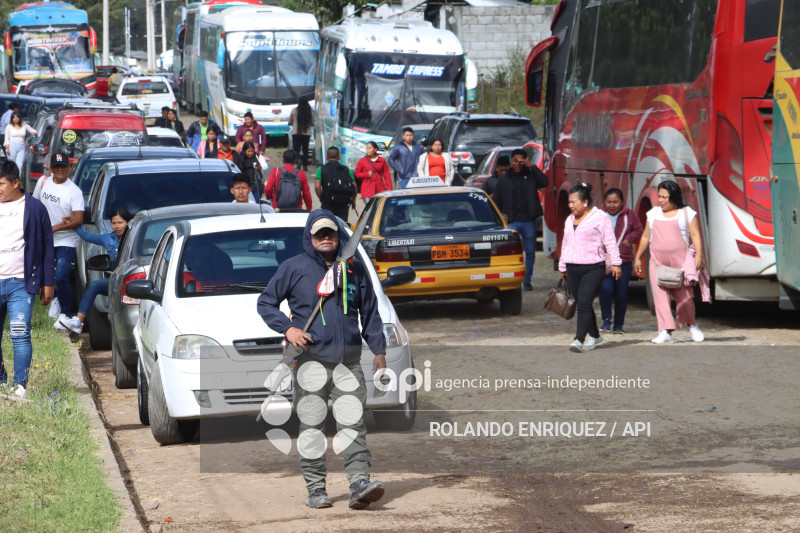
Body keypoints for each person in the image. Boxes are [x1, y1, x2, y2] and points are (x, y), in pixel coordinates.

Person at [256, 210, 386, 510]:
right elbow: (265, 303)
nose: (326, 238)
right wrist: (288, 329)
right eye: (319, 234)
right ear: (309, 237)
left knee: (353, 426)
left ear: (338, 236)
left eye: (330, 233)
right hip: (310, 362)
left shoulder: (353, 269)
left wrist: (379, 351)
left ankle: (358, 485)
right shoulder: (293, 267)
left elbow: (370, 313)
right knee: (312, 428)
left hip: (349, 363)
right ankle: (316, 489)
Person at [0, 161, 55, 399]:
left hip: (20, 283)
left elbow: (47, 246)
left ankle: (19, 386)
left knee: (19, 332)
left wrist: (48, 282)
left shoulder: (34, 208)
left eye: (1, 184)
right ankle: (2, 382)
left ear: (15, 183)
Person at [634, 181, 705, 344]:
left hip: (681, 264)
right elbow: (645, 236)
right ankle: (664, 331)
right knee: (660, 298)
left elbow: (695, 236)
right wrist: (638, 256)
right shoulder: (653, 214)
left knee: (685, 298)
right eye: (659, 196)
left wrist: (699, 255)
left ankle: (692, 325)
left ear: (674, 197)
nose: (660, 200)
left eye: (664, 197)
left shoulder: (687, 213)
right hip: (657, 263)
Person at [559, 183, 622, 353]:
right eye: (569, 202)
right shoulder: (569, 219)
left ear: (585, 202)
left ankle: (578, 339)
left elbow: (610, 241)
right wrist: (562, 265)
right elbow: (566, 243)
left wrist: (616, 263)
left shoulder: (600, 217)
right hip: (572, 267)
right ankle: (596, 336)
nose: (571, 206)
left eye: (574, 202)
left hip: (593, 267)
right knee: (582, 303)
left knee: (585, 302)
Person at [58, 210, 134, 334]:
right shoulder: (108, 238)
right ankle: (78, 322)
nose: (116, 226)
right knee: (95, 285)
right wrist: (73, 222)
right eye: (114, 223)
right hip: (116, 281)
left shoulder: (135, 237)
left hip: (133, 279)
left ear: (128, 223)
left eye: (120, 223)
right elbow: (86, 236)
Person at [32, 153, 84, 326]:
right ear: (51, 168)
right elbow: (34, 205)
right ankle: (53, 298)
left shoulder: (74, 191)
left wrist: (53, 228)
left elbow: (78, 219)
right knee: (42, 272)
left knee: (61, 275)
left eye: (63, 166)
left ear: (69, 168)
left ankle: (65, 314)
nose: (60, 169)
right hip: (44, 238)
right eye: (56, 166)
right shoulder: (43, 182)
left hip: (65, 239)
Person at [492, 149, 548, 291]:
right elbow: (497, 201)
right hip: (511, 221)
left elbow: (544, 182)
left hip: (528, 220)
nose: (518, 164)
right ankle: (512, 279)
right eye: (515, 161)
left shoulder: (531, 175)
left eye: (521, 161)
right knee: (511, 252)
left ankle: (527, 280)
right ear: (511, 162)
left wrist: (532, 166)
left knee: (530, 251)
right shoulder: (503, 180)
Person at [598, 188, 643, 334]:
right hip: (603, 260)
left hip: (624, 261)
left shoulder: (630, 214)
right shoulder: (598, 215)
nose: (612, 205)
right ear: (604, 202)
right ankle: (606, 320)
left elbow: (639, 230)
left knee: (621, 294)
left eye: (615, 202)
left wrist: (629, 240)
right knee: (606, 290)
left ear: (621, 202)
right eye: (609, 202)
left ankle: (618, 324)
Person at [316, 147, 356, 221]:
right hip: (344, 204)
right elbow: (354, 186)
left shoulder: (321, 169)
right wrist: (353, 200)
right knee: (342, 226)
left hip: (327, 204)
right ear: (339, 157)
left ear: (326, 157)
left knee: (328, 226)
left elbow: (317, 187)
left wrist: (322, 198)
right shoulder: (346, 169)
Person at [289, 97, 314, 171]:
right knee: (305, 149)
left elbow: (290, 121)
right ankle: (305, 165)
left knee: (296, 149)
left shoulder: (294, 110)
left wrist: (292, 123)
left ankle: (297, 160)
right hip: (306, 133)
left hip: (296, 132)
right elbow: (313, 122)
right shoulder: (310, 111)